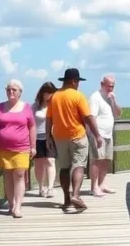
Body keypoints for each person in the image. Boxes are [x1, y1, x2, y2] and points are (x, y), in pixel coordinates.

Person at [45, 68, 103, 212]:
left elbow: (49, 119)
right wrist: (97, 135)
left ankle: (66, 200)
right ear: (73, 81)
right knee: (79, 165)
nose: (78, 85)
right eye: (78, 82)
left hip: (59, 137)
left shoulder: (54, 97)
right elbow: (89, 117)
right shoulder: (78, 96)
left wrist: (48, 137)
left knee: (64, 168)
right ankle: (76, 195)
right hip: (77, 136)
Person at [0, 79, 35, 218]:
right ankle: (11, 204)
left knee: (19, 175)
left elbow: (31, 127)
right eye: (8, 89)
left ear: (20, 92)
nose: (11, 92)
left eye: (14, 89)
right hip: (3, 148)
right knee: (7, 176)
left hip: (22, 148)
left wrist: (33, 146)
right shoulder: (0, 107)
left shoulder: (26, 107)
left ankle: (18, 207)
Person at [88, 73, 122, 196]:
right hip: (98, 133)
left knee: (107, 160)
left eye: (113, 86)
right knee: (97, 159)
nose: (111, 88)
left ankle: (102, 184)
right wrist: (96, 135)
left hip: (108, 134)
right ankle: (94, 187)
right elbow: (91, 116)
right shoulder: (95, 97)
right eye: (108, 86)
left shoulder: (110, 97)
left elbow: (118, 113)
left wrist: (113, 100)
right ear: (102, 84)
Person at [31, 81, 58, 198]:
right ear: (42, 93)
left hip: (51, 137)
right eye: (46, 93)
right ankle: (41, 187)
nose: (48, 95)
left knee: (50, 161)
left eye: (50, 93)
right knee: (39, 164)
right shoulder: (35, 106)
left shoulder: (55, 105)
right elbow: (30, 122)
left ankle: (51, 187)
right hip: (37, 137)